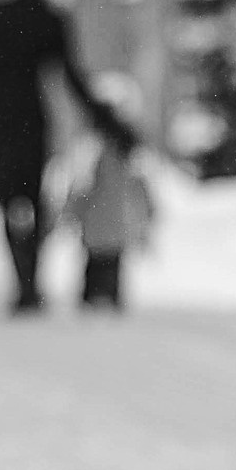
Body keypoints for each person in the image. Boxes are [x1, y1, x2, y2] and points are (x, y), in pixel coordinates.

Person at [0, 0, 134, 314]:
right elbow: (72, 76)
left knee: (10, 203)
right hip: (30, 123)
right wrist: (109, 121)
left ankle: (23, 284)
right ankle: (31, 279)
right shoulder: (51, 18)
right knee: (32, 199)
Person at [59, 71, 156, 311]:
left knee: (95, 271)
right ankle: (108, 305)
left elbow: (81, 185)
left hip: (95, 225)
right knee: (111, 271)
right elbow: (142, 187)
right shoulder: (128, 148)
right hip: (118, 225)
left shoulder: (96, 146)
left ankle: (93, 304)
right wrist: (149, 214)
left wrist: (70, 212)